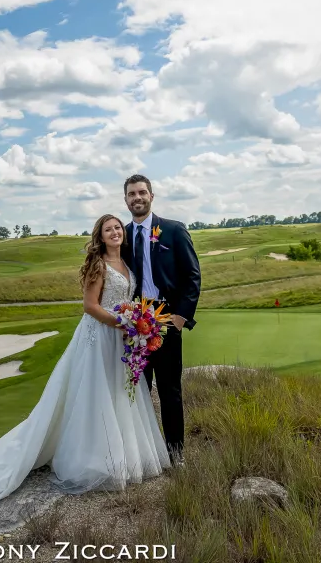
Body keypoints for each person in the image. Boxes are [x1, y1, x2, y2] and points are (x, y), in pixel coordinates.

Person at [0, 214, 170, 513]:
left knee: (119, 393)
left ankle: (122, 456)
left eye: (118, 228)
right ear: (100, 237)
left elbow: (127, 301)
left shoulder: (126, 264)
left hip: (120, 339)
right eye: (109, 229)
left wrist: (134, 322)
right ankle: (92, 459)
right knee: (94, 395)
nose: (115, 232)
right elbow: (90, 307)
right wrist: (122, 322)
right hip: (99, 337)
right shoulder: (98, 265)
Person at [121, 174, 201, 467]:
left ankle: (175, 454)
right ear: (126, 200)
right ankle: (142, 454)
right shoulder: (124, 236)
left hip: (166, 320)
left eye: (142, 192)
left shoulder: (173, 230)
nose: (137, 198)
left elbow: (192, 277)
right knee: (137, 392)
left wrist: (179, 319)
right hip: (133, 326)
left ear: (151, 196)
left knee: (169, 391)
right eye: (131, 194)